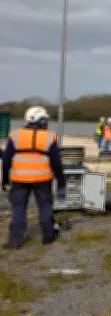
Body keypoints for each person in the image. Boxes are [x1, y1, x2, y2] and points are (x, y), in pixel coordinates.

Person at [1, 106, 66, 248]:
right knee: (45, 206)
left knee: (18, 208)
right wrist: (61, 182)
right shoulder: (49, 136)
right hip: (42, 180)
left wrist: (4, 180)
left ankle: (15, 241)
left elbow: (6, 160)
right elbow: (56, 162)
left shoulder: (15, 135)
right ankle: (48, 237)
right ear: (41, 120)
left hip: (19, 179)